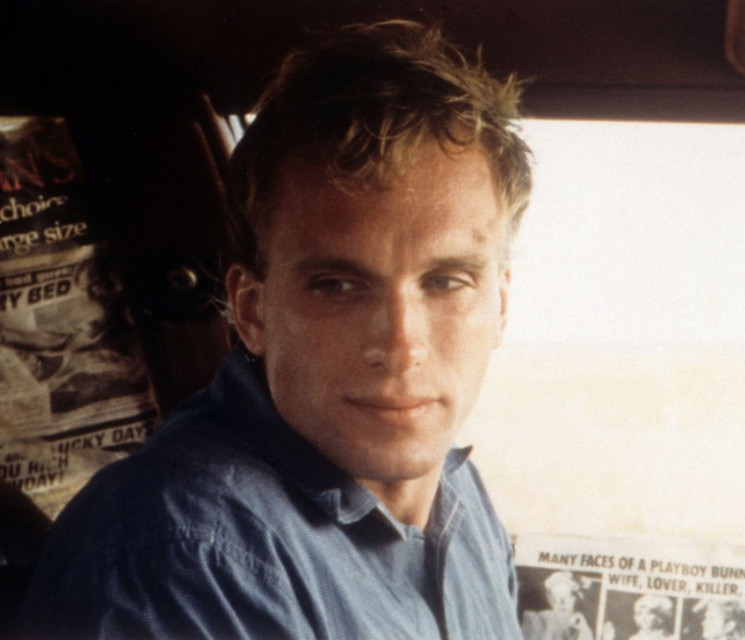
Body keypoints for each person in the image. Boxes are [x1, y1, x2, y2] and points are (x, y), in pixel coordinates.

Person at [21, 19, 532, 639]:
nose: (401, 346)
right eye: (337, 286)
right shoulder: (183, 559)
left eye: (446, 281)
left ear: (500, 304)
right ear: (252, 311)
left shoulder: (457, 492)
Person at [521, 571, 594, 640]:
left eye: (568, 597)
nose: (562, 603)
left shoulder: (580, 625)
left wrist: (584, 631)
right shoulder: (538, 621)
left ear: (576, 599)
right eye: (557, 596)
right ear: (550, 598)